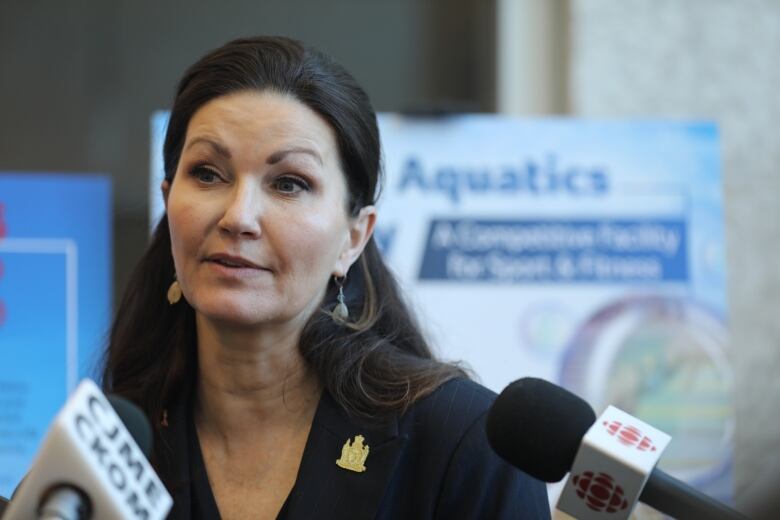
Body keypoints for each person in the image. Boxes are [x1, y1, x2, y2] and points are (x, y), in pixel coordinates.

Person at [102, 36, 550, 519]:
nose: (239, 217)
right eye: (208, 174)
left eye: (289, 183)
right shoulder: (112, 448)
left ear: (354, 237)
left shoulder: (461, 442)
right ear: (169, 203)